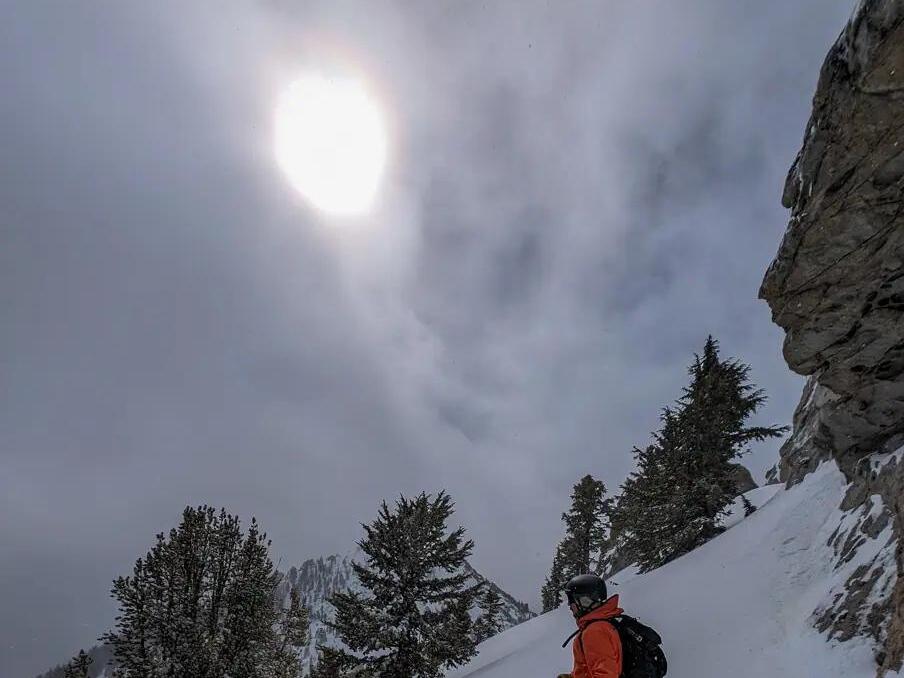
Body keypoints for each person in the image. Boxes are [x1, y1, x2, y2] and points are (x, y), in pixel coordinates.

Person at [563, 574, 622, 678]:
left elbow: (605, 675)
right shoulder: (608, 622)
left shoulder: (595, 632)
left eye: (572, 601)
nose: (570, 606)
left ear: (585, 601)